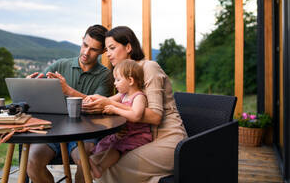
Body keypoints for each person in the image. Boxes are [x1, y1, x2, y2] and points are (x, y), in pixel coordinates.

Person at [83, 26, 187, 183]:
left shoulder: (148, 67)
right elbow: (111, 101)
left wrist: (111, 106)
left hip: (168, 140)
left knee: (110, 168)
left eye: (112, 48)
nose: (108, 54)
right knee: (96, 161)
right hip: (143, 139)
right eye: (106, 50)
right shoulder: (127, 78)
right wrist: (91, 101)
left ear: (128, 47)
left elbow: (156, 117)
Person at [26, 24, 113, 183]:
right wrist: (29, 86)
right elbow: (37, 92)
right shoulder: (60, 65)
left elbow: (97, 105)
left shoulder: (106, 76)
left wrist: (68, 90)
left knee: (85, 162)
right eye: (85, 45)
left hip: (85, 133)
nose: (86, 52)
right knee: (32, 163)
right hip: (53, 131)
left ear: (103, 51)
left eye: (93, 49)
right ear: (82, 40)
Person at [88, 59, 152, 179]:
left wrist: (115, 109)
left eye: (118, 80)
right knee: (104, 143)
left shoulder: (139, 97)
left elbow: (136, 115)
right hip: (125, 133)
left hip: (137, 135)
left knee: (116, 148)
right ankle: (92, 163)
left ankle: (100, 168)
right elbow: (108, 100)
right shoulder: (123, 95)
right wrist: (95, 98)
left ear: (131, 80)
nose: (115, 83)